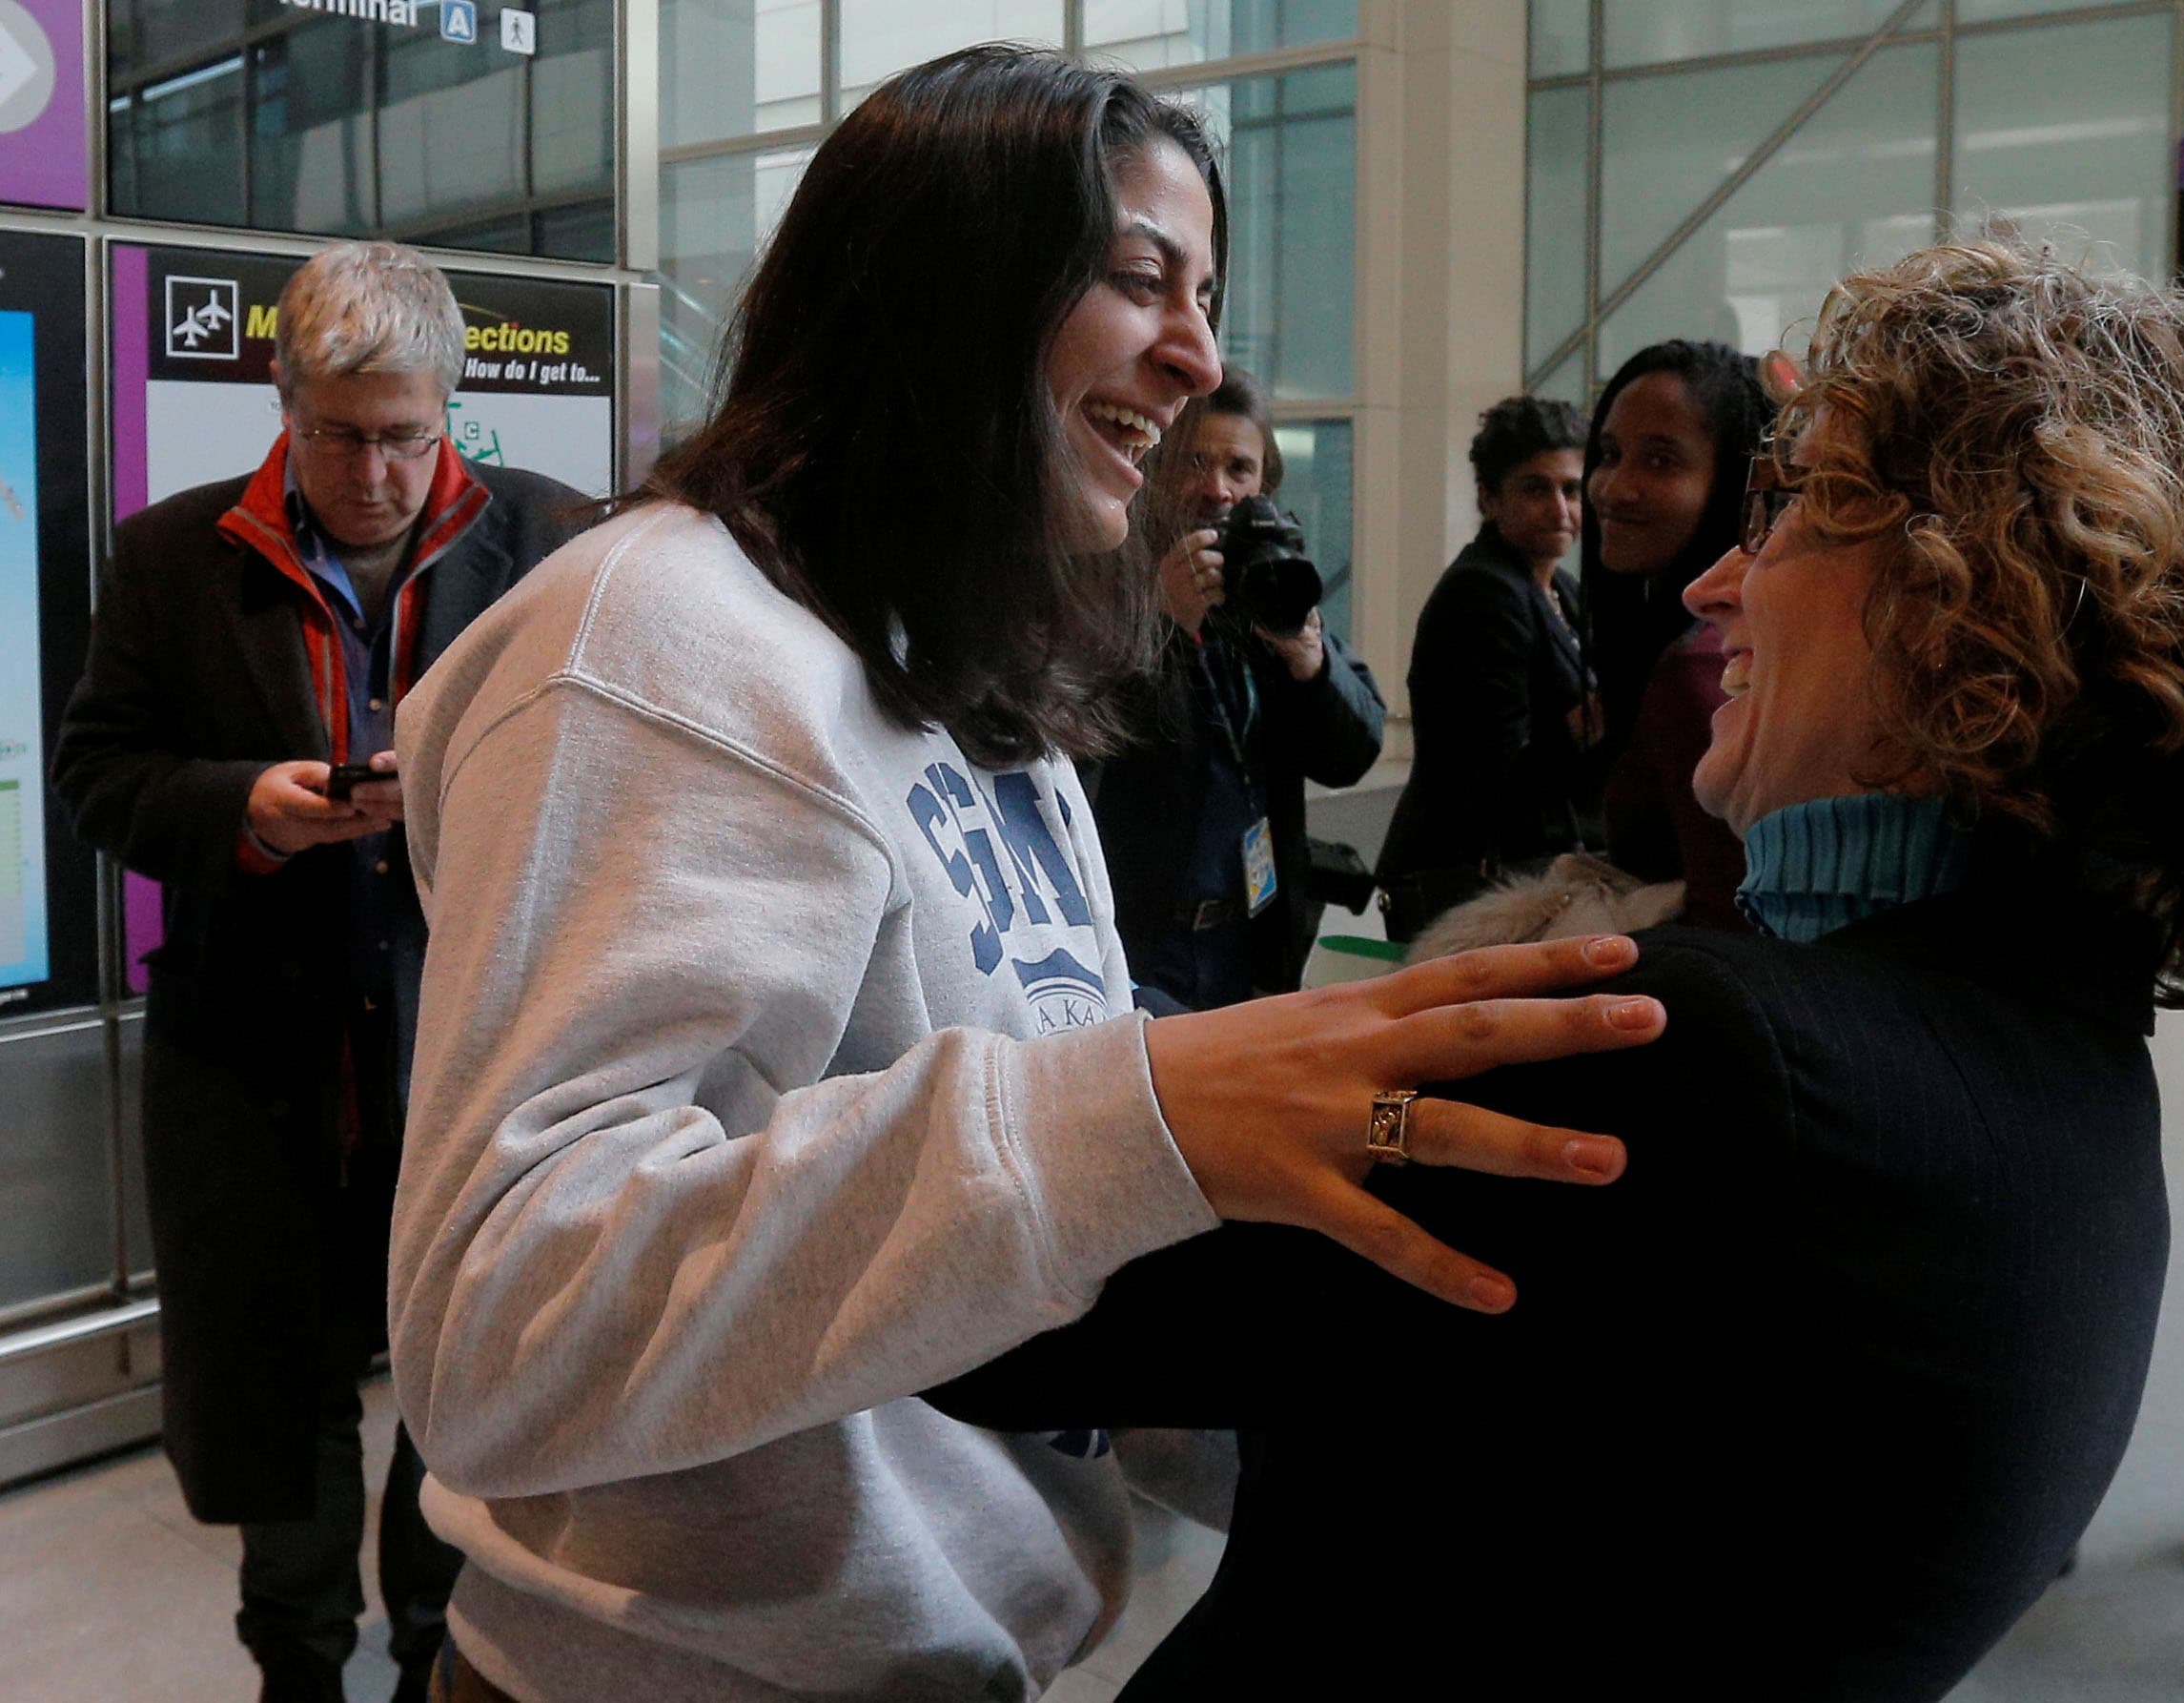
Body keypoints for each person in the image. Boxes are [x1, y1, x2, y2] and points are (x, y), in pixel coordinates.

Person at [926, 236, 2184, 1701]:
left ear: (1971, 600)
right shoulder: (2035, 1050)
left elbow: (1002, 1316)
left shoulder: (1716, 1066)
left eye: (1791, 517)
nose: (1718, 579)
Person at [383, 48, 1664, 1703]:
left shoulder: (965, 675)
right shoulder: (660, 637)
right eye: (1140, 276)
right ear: (947, 280)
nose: (1198, 353)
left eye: (1204, 294)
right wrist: (1127, 1115)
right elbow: (500, 1322)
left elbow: (997, 1182)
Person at [51, 241, 582, 1703]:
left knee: (465, 1395)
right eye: (340, 435)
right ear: (281, 399)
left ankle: (437, 1653)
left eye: (411, 435)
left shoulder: (551, 548)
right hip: (260, 1073)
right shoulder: (176, 554)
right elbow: (97, 778)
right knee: (280, 1422)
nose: (377, 473)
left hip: (476, 1059)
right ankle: (297, 1661)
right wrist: (243, 809)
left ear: (452, 408)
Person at [1092, 365, 1385, 1006]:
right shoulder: (1106, 588)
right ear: (1154, 471)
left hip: (1250, 938)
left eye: (1239, 470)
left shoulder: (1265, 586)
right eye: (1194, 463)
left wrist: (1307, 655)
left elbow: (1353, 753)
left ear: (1263, 484)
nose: (1216, 490)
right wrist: (1158, 624)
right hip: (1141, 943)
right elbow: (1085, 755)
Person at [1375, 396, 1601, 939]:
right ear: (1489, 498)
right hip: (1471, 878)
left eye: (1571, 489)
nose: (1560, 508)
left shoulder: (1560, 589)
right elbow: (1493, 763)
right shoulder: (1484, 589)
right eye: (1535, 488)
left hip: (1518, 873)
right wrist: (1595, 721)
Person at [1583, 339, 1776, 929]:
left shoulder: (1704, 669)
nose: (1614, 487)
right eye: (1610, 454)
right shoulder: (1721, 646)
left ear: (1736, 483)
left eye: (1661, 461)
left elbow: (1731, 918)